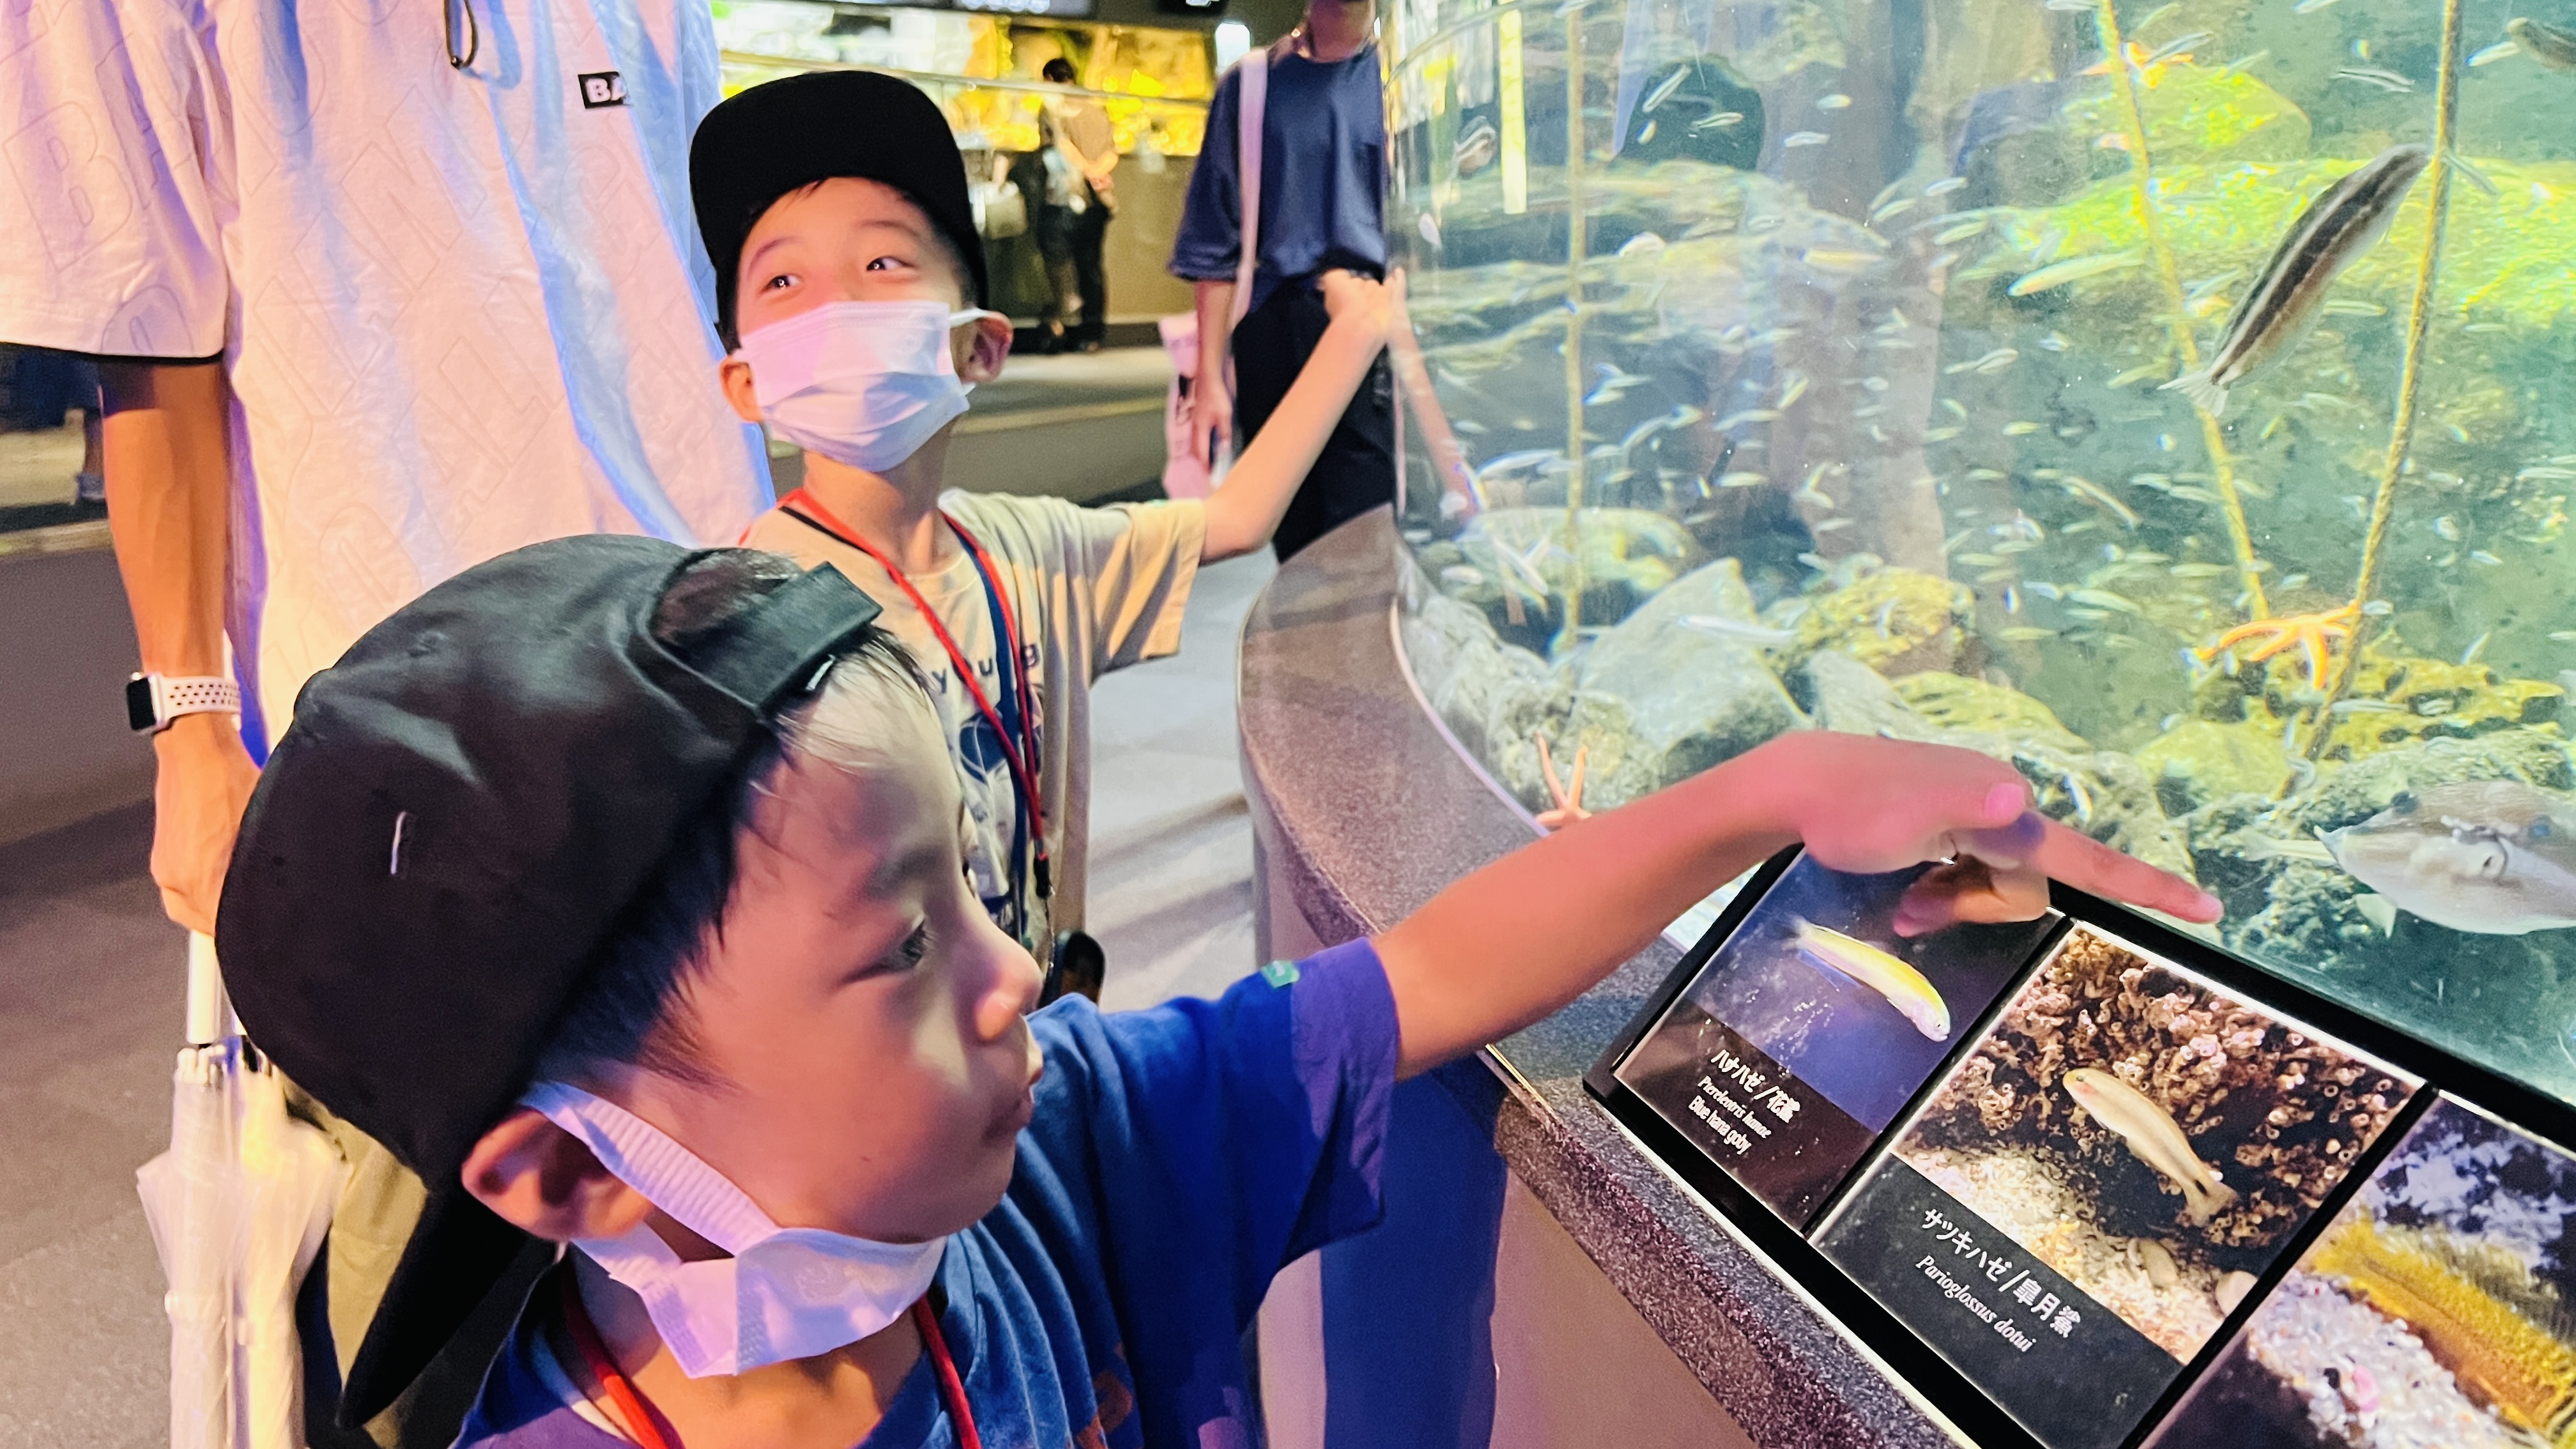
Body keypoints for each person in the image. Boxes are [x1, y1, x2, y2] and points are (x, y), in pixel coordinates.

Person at [213, 532, 2222, 1449]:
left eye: (970, 890)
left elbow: (1422, 972)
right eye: (902, 946)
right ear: (579, 1175)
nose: (1018, 975)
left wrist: (1775, 792)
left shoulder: (1054, 1151)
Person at [0, 0, 769, 1440]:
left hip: (704, 673)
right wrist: (190, 729)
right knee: (415, 1322)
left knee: (730, 1287)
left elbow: (682, 287)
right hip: (391, 741)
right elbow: (149, 338)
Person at [702, 72, 1391, 968]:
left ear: (981, 344)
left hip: (1035, 1018)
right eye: (784, 279)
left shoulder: (1028, 550)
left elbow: (1235, 520)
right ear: (745, 383)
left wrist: (1358, 332)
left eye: (881, 263)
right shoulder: (733, 631)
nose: (837, 305)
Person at [1170, 0, 1395, 561]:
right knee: (1294, 538)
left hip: (1376, 330)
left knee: (1369, 534)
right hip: (1274, 332)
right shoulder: (1250, 85)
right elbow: (1215, 243)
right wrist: (1210, 378)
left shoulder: (1401, 77)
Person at [1041, 57, 1118, 352]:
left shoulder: (1051, 108)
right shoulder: (1097, 107)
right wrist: (1098, 171)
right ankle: (1093, 333)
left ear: (1050, 79)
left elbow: (1060, 146)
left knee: (1057, 263)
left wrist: (1085, 169)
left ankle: (1059, 327)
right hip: (1099, 197)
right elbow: (1113, 151)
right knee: (1092, 266)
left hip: (1066, 197)